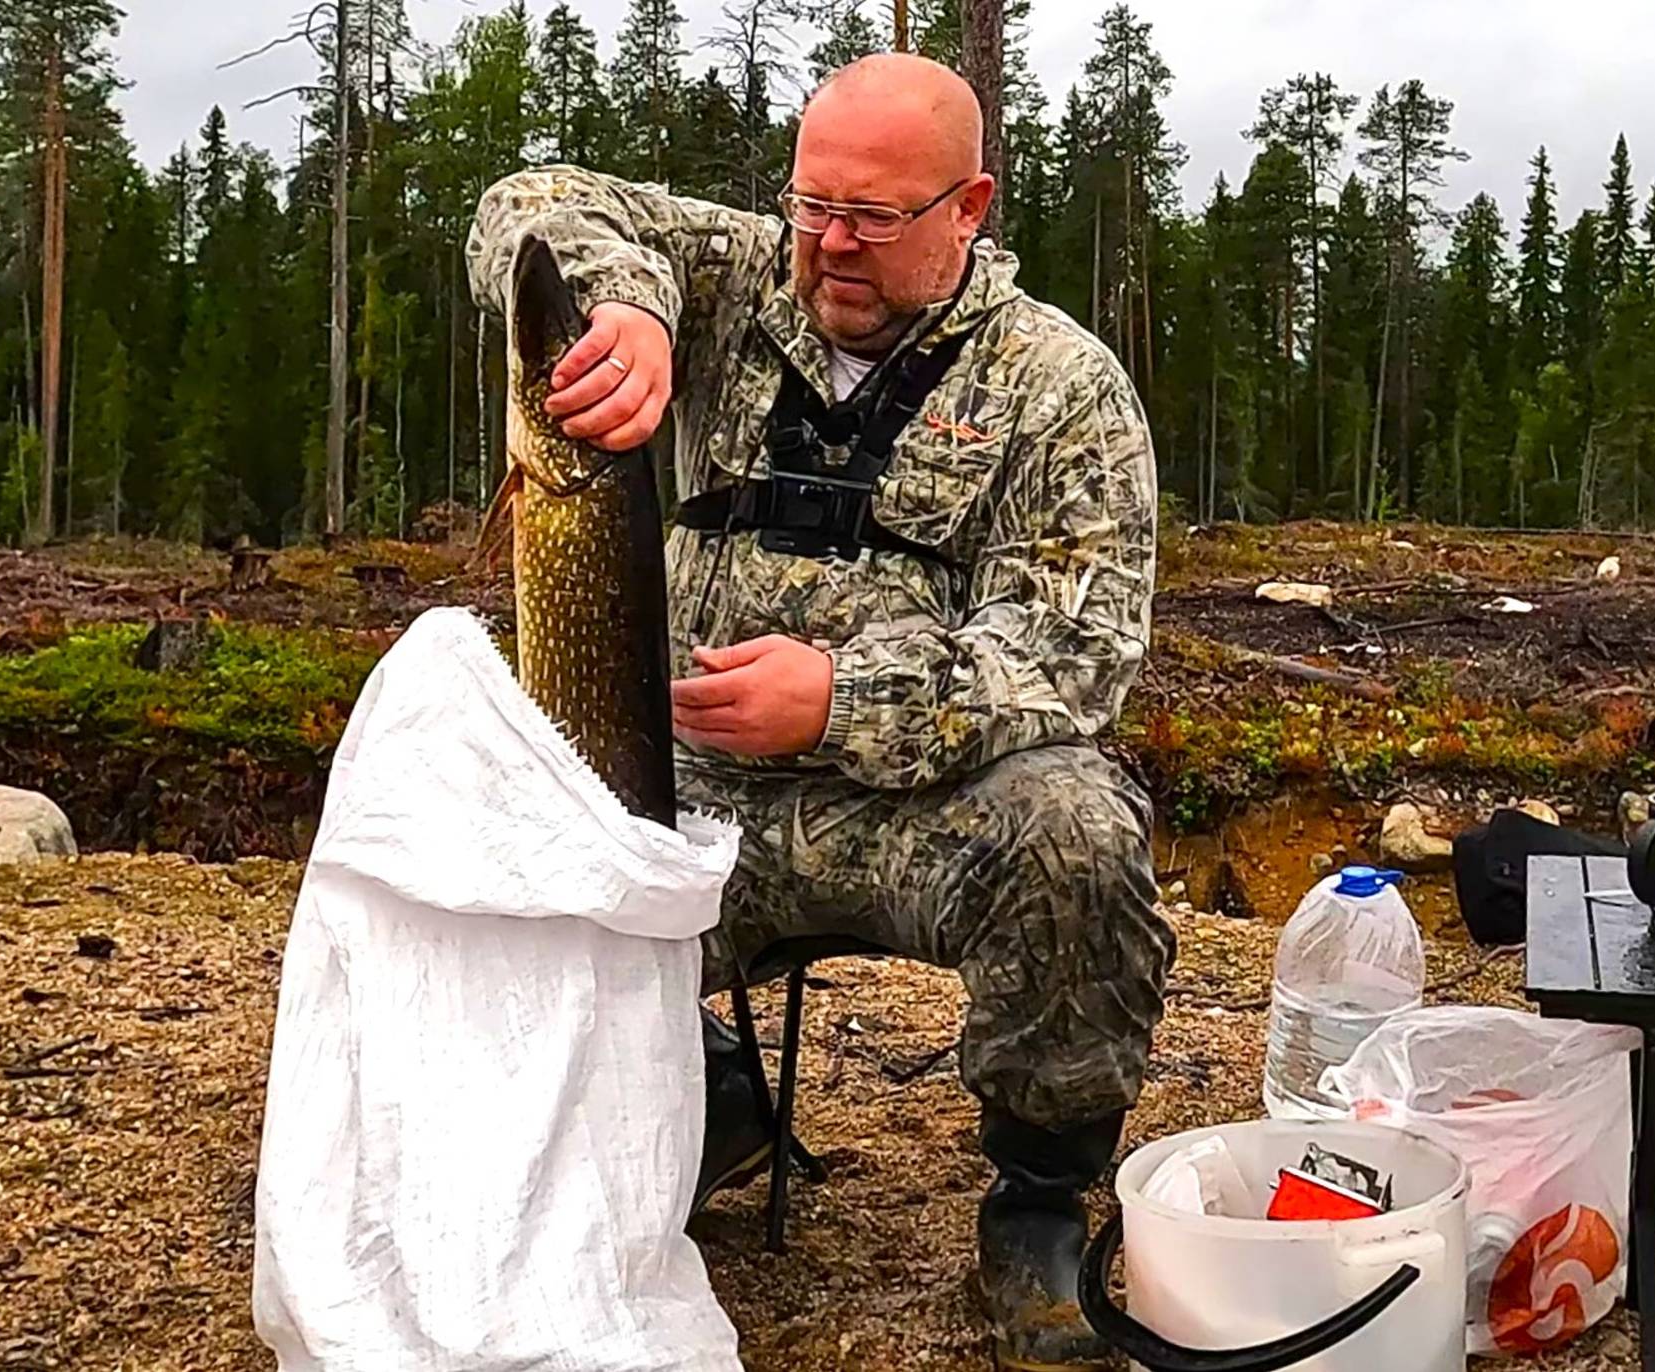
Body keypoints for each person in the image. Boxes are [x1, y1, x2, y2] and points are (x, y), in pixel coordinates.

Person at [465, 52, 1172, 1371]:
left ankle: (1044, 1201)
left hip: (914, 813)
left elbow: (1068, 658)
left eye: (874, 217)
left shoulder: (1057, 391)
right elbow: (528, 202)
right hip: (678, 802)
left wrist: (840, 703)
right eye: (811, 205)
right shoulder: (736, 277)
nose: (831, 244)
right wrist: (634, 310)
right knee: (475, 836)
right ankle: (703, 1095)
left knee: (1074, 827)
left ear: (971, 206)